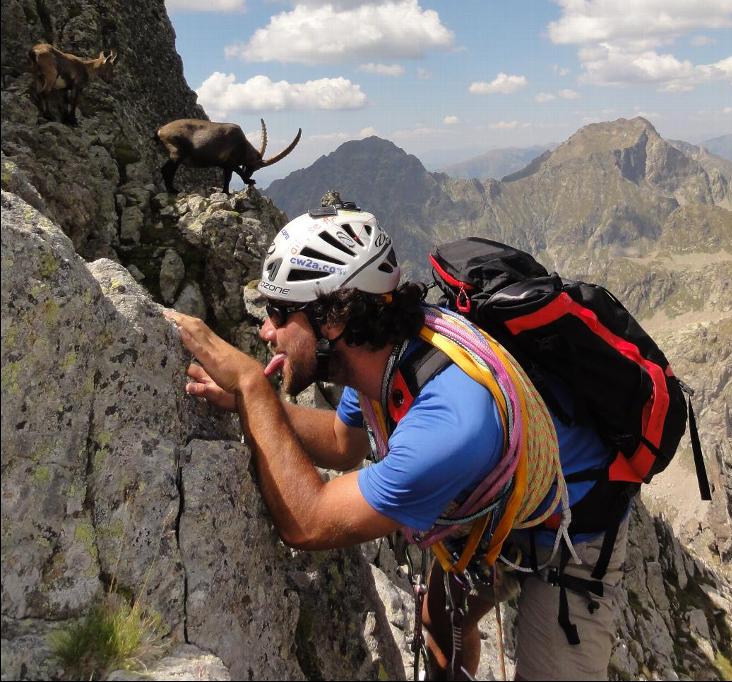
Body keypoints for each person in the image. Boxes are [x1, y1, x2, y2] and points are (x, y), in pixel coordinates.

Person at [166, 203, 630, 681]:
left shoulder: (447, 425)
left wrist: (252, 386)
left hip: (571, 532)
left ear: (332, 319)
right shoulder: (386, 359)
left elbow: (309, 523)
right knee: (439, 621)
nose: (265, 331)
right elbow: (340, 442)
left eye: (280, 312)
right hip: (492, 505)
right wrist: (253, 405)